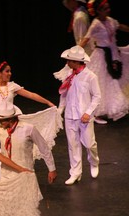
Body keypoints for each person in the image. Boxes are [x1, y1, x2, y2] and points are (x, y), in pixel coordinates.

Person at [0, 102, 57, 216]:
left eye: (2, 120)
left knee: (25, 208)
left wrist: (52, 169)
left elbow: (44, 148)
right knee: (8, 207)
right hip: (6, 174)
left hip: (25, 173)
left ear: (11, 119)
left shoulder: (28, 128)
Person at [57, 45, 101, 185]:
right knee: (73, 145)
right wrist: (60, 110)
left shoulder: (90, 76)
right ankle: (75, 172)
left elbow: (97, 96)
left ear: (76, 62)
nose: (67, 63)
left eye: (69, 60)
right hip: (70, 115)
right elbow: (64, 94)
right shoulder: (68, 74)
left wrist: (88, 112)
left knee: (89, 144)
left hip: (84, 116)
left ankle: (94, 162)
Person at [79, 0, 129, 123]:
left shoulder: (111, 20)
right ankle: (95, 112)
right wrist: (74, 53)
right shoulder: (95, 24)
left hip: (113, 54)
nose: (108, 10)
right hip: (101, 56)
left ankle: (110, 108)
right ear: (98, 11)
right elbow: (85, 39)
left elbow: (122, 27)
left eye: (108, 8)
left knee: (112, 83)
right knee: (101, 83)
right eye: (105, 8)